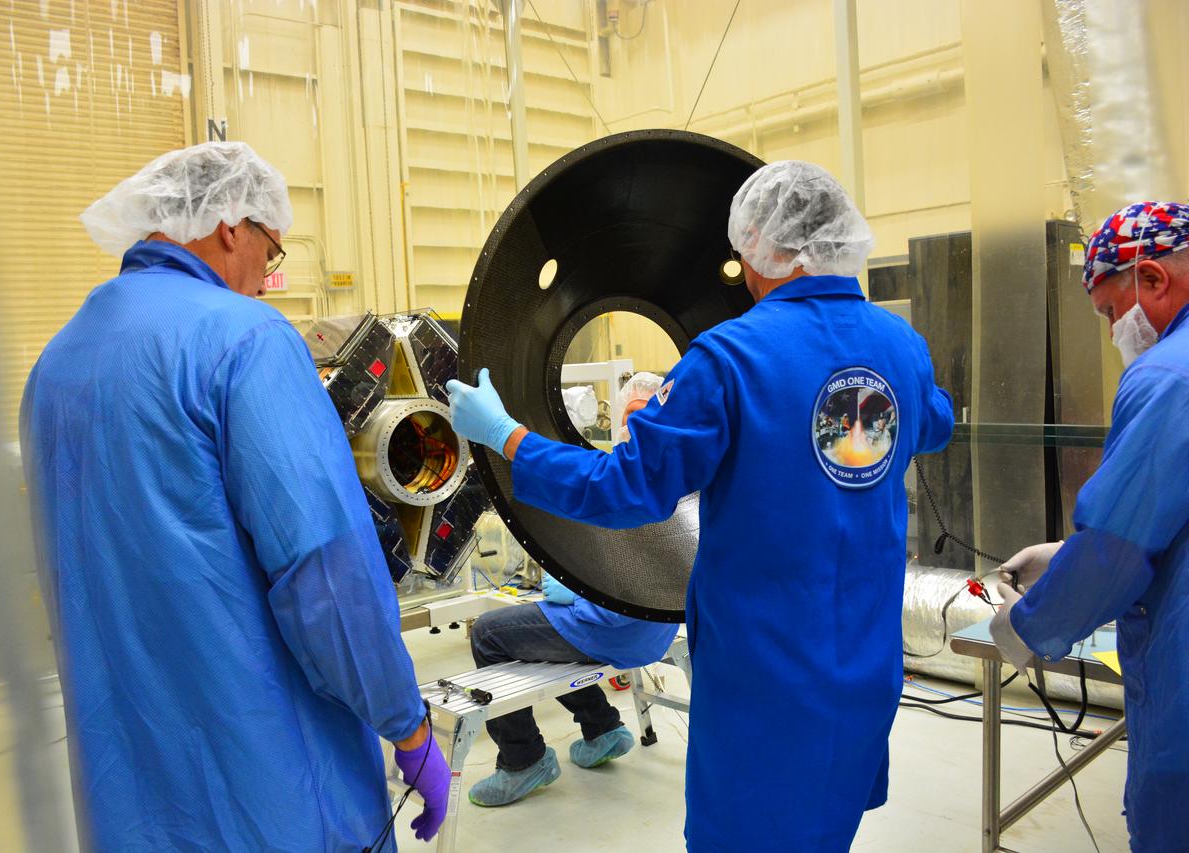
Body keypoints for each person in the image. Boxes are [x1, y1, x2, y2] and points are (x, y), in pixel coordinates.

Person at [446, 161, 954, 851]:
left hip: (763, 684)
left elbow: (623, 490)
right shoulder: (901, 345)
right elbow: (934, 424)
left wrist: (506, 436)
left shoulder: (728, 360)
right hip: (863, 670)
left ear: (756, 250)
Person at [20, 141, 449, 852]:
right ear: (230, 226)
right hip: (266, 790)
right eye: (272, 253)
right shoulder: (243, 340)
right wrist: (407, 724)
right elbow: (324, 574)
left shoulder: (55, 363)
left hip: (124, 800)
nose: (263, 279)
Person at [990, 201, 1189, 852]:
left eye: (1110, 311)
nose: (1113, 331)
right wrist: (1066, 550)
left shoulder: (1167, 376)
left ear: (1153, 279)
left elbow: (1117, 550)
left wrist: (1025, 626)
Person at [465, 375, 678, 808]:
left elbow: (619, 583)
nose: (632, 427)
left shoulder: (626, 482)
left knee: (488, 633)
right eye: (629, 417)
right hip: (655, 634)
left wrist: (574, 592)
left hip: (609, 630)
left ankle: (523, 759)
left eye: (640, 416)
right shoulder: (679, 475)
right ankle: (601, 727)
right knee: (539, 636)